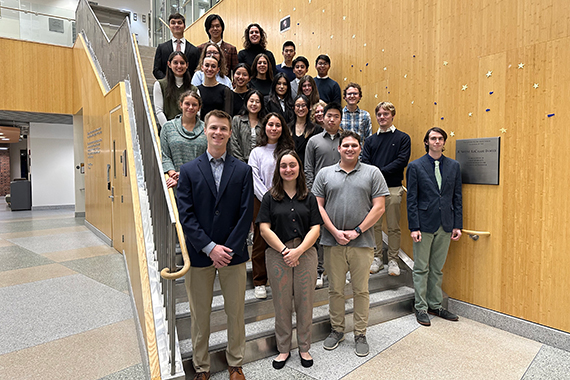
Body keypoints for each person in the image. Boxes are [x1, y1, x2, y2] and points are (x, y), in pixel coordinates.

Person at [177, 110, 253, 380]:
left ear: (230, 132)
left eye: (223, 128)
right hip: (200, 255)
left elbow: (246, 214)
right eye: (213, 128)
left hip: (233, 254)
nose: (218, 132)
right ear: (205, 131)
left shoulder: (243, 171)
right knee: (200, 316)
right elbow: (185, 215)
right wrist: (210, 247)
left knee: (236, 312)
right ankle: (202, 367)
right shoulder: (188, 170)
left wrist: (226, 249)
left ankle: (235, 363)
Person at [313, 130, 389, 357]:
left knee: (361, 290)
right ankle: (337, 330)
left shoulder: (373, 173)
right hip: (332, 242)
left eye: (354, 145)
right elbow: (318, 206)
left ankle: (360, 333)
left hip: (362, 243)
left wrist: (357, 231)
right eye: (345, 145)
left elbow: (379, 207)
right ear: (338, 148)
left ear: (360, 148)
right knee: (335, 289)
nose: (349, 149)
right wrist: (335, 231)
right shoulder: (325, 174)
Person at [257, 150, 322, 370]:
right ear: (278, 169)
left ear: (299, 168)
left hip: (306, 253)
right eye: (283, 165)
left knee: (305, 302)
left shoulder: (309, 196)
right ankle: (283, 349)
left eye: (292, 165)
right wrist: (286, 251)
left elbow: (316, 227)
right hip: (277, 254)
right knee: (282, 303)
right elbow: (264, 229)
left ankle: (304, 347)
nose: (288, 169)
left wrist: (299, 251)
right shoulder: (270, 197)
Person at [406, 127, 463, 327]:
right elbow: (411, 199)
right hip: (424, 224)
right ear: (427, 142)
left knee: (437, 269)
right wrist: (414, 227)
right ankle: (420, 307)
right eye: (433, 138)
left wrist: (458, 224)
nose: (437, 142)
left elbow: (457, 197)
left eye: (440, 139)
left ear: (444, 143)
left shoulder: (453, 166)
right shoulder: (415, 166)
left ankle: (435, 305)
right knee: (421, 268)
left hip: (446, 224)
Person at [248, 113, 295, 299]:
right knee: (260, 241)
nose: (274, 128)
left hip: (286, 199)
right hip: (262, 202)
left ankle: (283, 279)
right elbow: (254, 178)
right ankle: (259, 281)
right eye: (270, 124)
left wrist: (282, 197)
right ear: (264, 127)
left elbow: (292, 173)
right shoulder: (256, 152)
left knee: (284, 240)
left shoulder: (287, 150)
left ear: (282, 128)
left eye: (278, 125)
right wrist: (270, 198)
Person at [362, 101, 411, 276]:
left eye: (386, 114)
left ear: (392, 116)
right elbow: (365, 162)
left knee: (393, 227)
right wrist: (376, 176)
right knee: (374, 226)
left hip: (393, 188)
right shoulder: (370, 140)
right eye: (379, 114)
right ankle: (377, 259)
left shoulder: (402, 138)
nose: (382, 117)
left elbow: (401, 161)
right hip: (373, 191)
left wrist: (378, 172)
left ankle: (393, 260)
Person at [304, 102, 342, 287]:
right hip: (320, 195)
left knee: (341, 229)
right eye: (329, 116)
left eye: (336, 116)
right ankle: (319, 271)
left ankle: (342, 271)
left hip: (343, 193)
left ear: (340, 119)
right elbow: (308, 168)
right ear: (322, 118)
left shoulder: (348, 140)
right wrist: (312, 193)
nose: (332, 119)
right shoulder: (314, 141)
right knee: (318, 234)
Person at [161, 91, 207, 189]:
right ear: (181, 104)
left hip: (200, 183)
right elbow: (165, 156)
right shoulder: (168, 127)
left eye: (194, 105)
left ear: (199, 108)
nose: (190, 107)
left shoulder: (207, 129)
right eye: (187, 104)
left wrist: (185, 175)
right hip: (174, 183)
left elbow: (208, 158)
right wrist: (173, 175)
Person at [153, 51, 198, 128]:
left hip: (188, 131)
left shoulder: (194, 89)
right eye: (175, 63)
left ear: (187, 65)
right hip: (167, 130)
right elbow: (159, 111)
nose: (179, 66)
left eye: (182, 63)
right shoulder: (159, 85)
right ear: (169, 64)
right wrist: (170, 130)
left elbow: (197, 113)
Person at [153, 13, 199, 80]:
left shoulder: (194, 50)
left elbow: (196, 70)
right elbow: (156, 70)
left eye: (179, 23)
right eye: (173, 23)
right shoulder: (161, 48)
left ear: (184, 26)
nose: (176, 25)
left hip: (188, 87)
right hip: (167, 87)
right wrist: (167, 82)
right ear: (169, 26)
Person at [230, 90, 266, 163]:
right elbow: (233, 143)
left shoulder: (265, 123)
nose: (254, 104)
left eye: (257, 102)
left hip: (260, 163)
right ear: (246, 102)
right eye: (251, 101)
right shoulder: (237, 120)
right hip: (239, 163)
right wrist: (242, 164)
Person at [197, 55, 233, 120]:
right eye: (207, 65)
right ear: (202, 67)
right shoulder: (197, 90)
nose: (210, 69)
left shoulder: (225, 90)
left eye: (213, 66)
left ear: (217, 70)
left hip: (219, 127)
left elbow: (228, 116)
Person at [289, 94, 322, 166]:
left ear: (309, 107)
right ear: (293, 108)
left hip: (309, 169)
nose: (301, 108)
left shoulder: (317, 129)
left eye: (303, 105)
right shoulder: (287, 128)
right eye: (298, 106)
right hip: (291, 169)